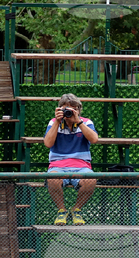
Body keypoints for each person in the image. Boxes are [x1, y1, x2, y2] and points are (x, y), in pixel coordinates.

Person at [42, 93, 100, 225]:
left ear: (79, 110)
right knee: (52, 178)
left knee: (91, 179)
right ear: (60, 110)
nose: (70, 112)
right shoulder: (53, 122)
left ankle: (76, 210)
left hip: (82, 166)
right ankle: (62, 210)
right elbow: (48, 143)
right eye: (66, 109)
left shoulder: (86, 122)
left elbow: (94, 139)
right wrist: (57, 121)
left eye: (74, 109)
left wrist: (78, 122)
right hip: (57, 166)